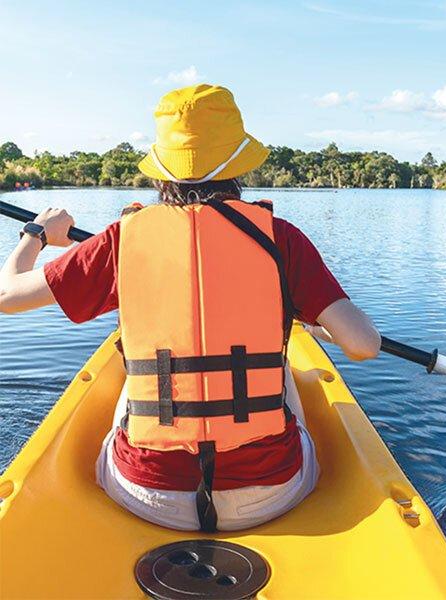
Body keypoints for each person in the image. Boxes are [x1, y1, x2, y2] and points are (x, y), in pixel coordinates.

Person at [0, 84, 381, 531]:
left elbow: (7, 296)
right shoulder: (282, 240)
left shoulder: (122, 240)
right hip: (270, 492)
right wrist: (310, 319)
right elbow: (364, 345)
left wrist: (37, 233)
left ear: (163, 170)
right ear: (239, 164)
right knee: (286, 372)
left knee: (133, 373)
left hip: (146, 493)